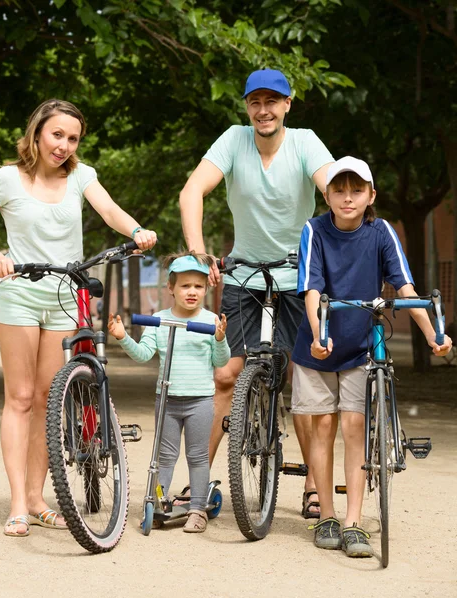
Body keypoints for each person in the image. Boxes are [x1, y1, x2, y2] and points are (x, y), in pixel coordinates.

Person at [0, 99, 157, 537]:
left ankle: (36, 498)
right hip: (21, 297)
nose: (64, 145)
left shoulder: (81, 177)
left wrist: (136, 230)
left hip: (65, 296)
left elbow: (108, 211)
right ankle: (16, 503)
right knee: (21, 397)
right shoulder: (6, 178)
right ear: (37, 133)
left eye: (72, 139)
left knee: (51, 400)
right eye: (57, 135)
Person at [179, 68, 334, 518]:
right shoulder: (233, 139)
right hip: (244, 275)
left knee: (305, 381)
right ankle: (198, 485)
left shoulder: (305, 142)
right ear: (247, 107)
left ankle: (313, 485)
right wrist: (197, 251)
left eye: (273, 101)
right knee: (226, 375)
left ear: (288, 105)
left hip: (297, 278)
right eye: (255, 102)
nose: (263, 110)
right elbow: (193, 192)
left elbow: (330, 187)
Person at [291, 156, 453, 557]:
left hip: (361, 342)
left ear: (371, 195)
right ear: (326, 195)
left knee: (353, 426)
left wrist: (435, 336)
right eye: (339, 190)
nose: (348, 198)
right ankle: (327, 516)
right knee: (322, 427)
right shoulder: (314, 230)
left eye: (357, 190)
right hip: (318, 343)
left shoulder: (381, 232)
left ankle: (353, 522)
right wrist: (318, 334)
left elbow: (405, 288)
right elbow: (312, 290)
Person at [108, 252, 230, 533]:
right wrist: (123, 337)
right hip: (167, 400)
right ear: (171, 288)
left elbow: (221, 362)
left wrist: (220, 338)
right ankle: (158, 502)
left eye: (198, 287)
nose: (192, 292)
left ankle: (197, 508)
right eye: (185, 286)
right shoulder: (158, 320)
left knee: (197, 456)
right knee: (164, 456)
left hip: (200, 400)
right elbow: (143, 354)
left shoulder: (210, 321)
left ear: (206, 289)